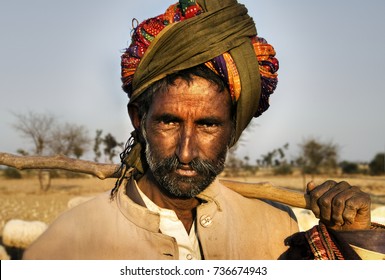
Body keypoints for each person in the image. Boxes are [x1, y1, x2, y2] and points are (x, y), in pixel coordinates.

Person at [23, 0, 384, 260]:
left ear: (232, 129)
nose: (185, 152)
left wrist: (358, 232)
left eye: (208, 125)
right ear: (139, 119)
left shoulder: (277, 226)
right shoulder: (65, 247)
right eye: (169, 121)